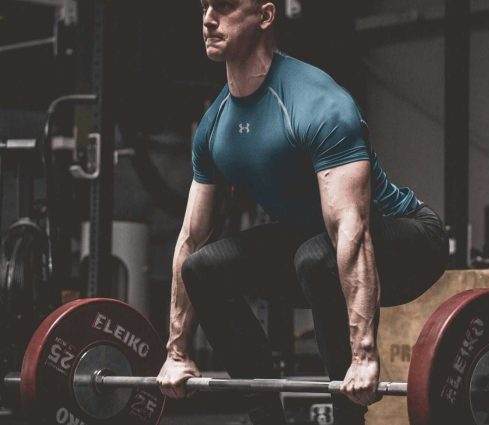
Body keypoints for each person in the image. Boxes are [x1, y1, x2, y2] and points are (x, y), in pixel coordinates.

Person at [157, 0, 448, 424]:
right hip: (315, 246)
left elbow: (352, 228)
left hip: (408, 241)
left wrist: (364, 356)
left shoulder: (316, 103)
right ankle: (265, 417)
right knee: (203, 268)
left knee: (316, 257)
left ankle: (348, 418)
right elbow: (190, 239)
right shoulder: (214, 126)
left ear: (266, 16)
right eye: (204, 6)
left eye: (225, 6)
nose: (208, 18)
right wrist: (176, 352)